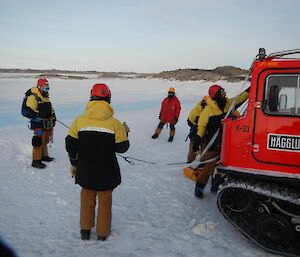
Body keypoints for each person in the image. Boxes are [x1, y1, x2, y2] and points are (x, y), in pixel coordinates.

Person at [65, 83, 130, 241]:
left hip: (85, 171)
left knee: (87, 200)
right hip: (107, 173)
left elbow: (70, 146)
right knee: (105, 203)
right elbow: (122, 148)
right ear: (108, 99)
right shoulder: (115, 123)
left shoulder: (78, 121)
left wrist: (74, 163)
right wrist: (125, 131)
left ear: (91, 98)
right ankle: (102, 233)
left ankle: (85, 231)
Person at [192, 84, 249, 198]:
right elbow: (201, 126)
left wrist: (252, 86)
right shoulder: (208, 110)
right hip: (211, 142)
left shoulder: (229, 104)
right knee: (209, 165)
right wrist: (197, 139)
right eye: (222, 91)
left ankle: (216, 183)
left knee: (224, 165)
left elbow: (242, 97)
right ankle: (199, 186)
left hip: (227, 141)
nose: (225, 93)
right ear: (217, 94)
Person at [25, 78, 56, 169]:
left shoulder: (45, 97)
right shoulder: (33, 97)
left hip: (46, 123)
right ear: (40, 87)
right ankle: (36, 160)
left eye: (48, 88)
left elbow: (51, 109)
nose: (47, 90)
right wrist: (40, 113)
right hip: (38, 123)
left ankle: (44, 156)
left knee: (45, 139)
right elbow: (29, 111)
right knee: (38, 141)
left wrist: (53, 117)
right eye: (45, 88)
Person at [186, 97, 207, 163]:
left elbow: (189, 121)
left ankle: (203, 163)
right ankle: (190, 162)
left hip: (205, 133)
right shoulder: (196, 110)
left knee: (204, 147)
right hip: (196, 132)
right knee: (194, 146)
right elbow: (189, 121)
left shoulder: (197, 109)